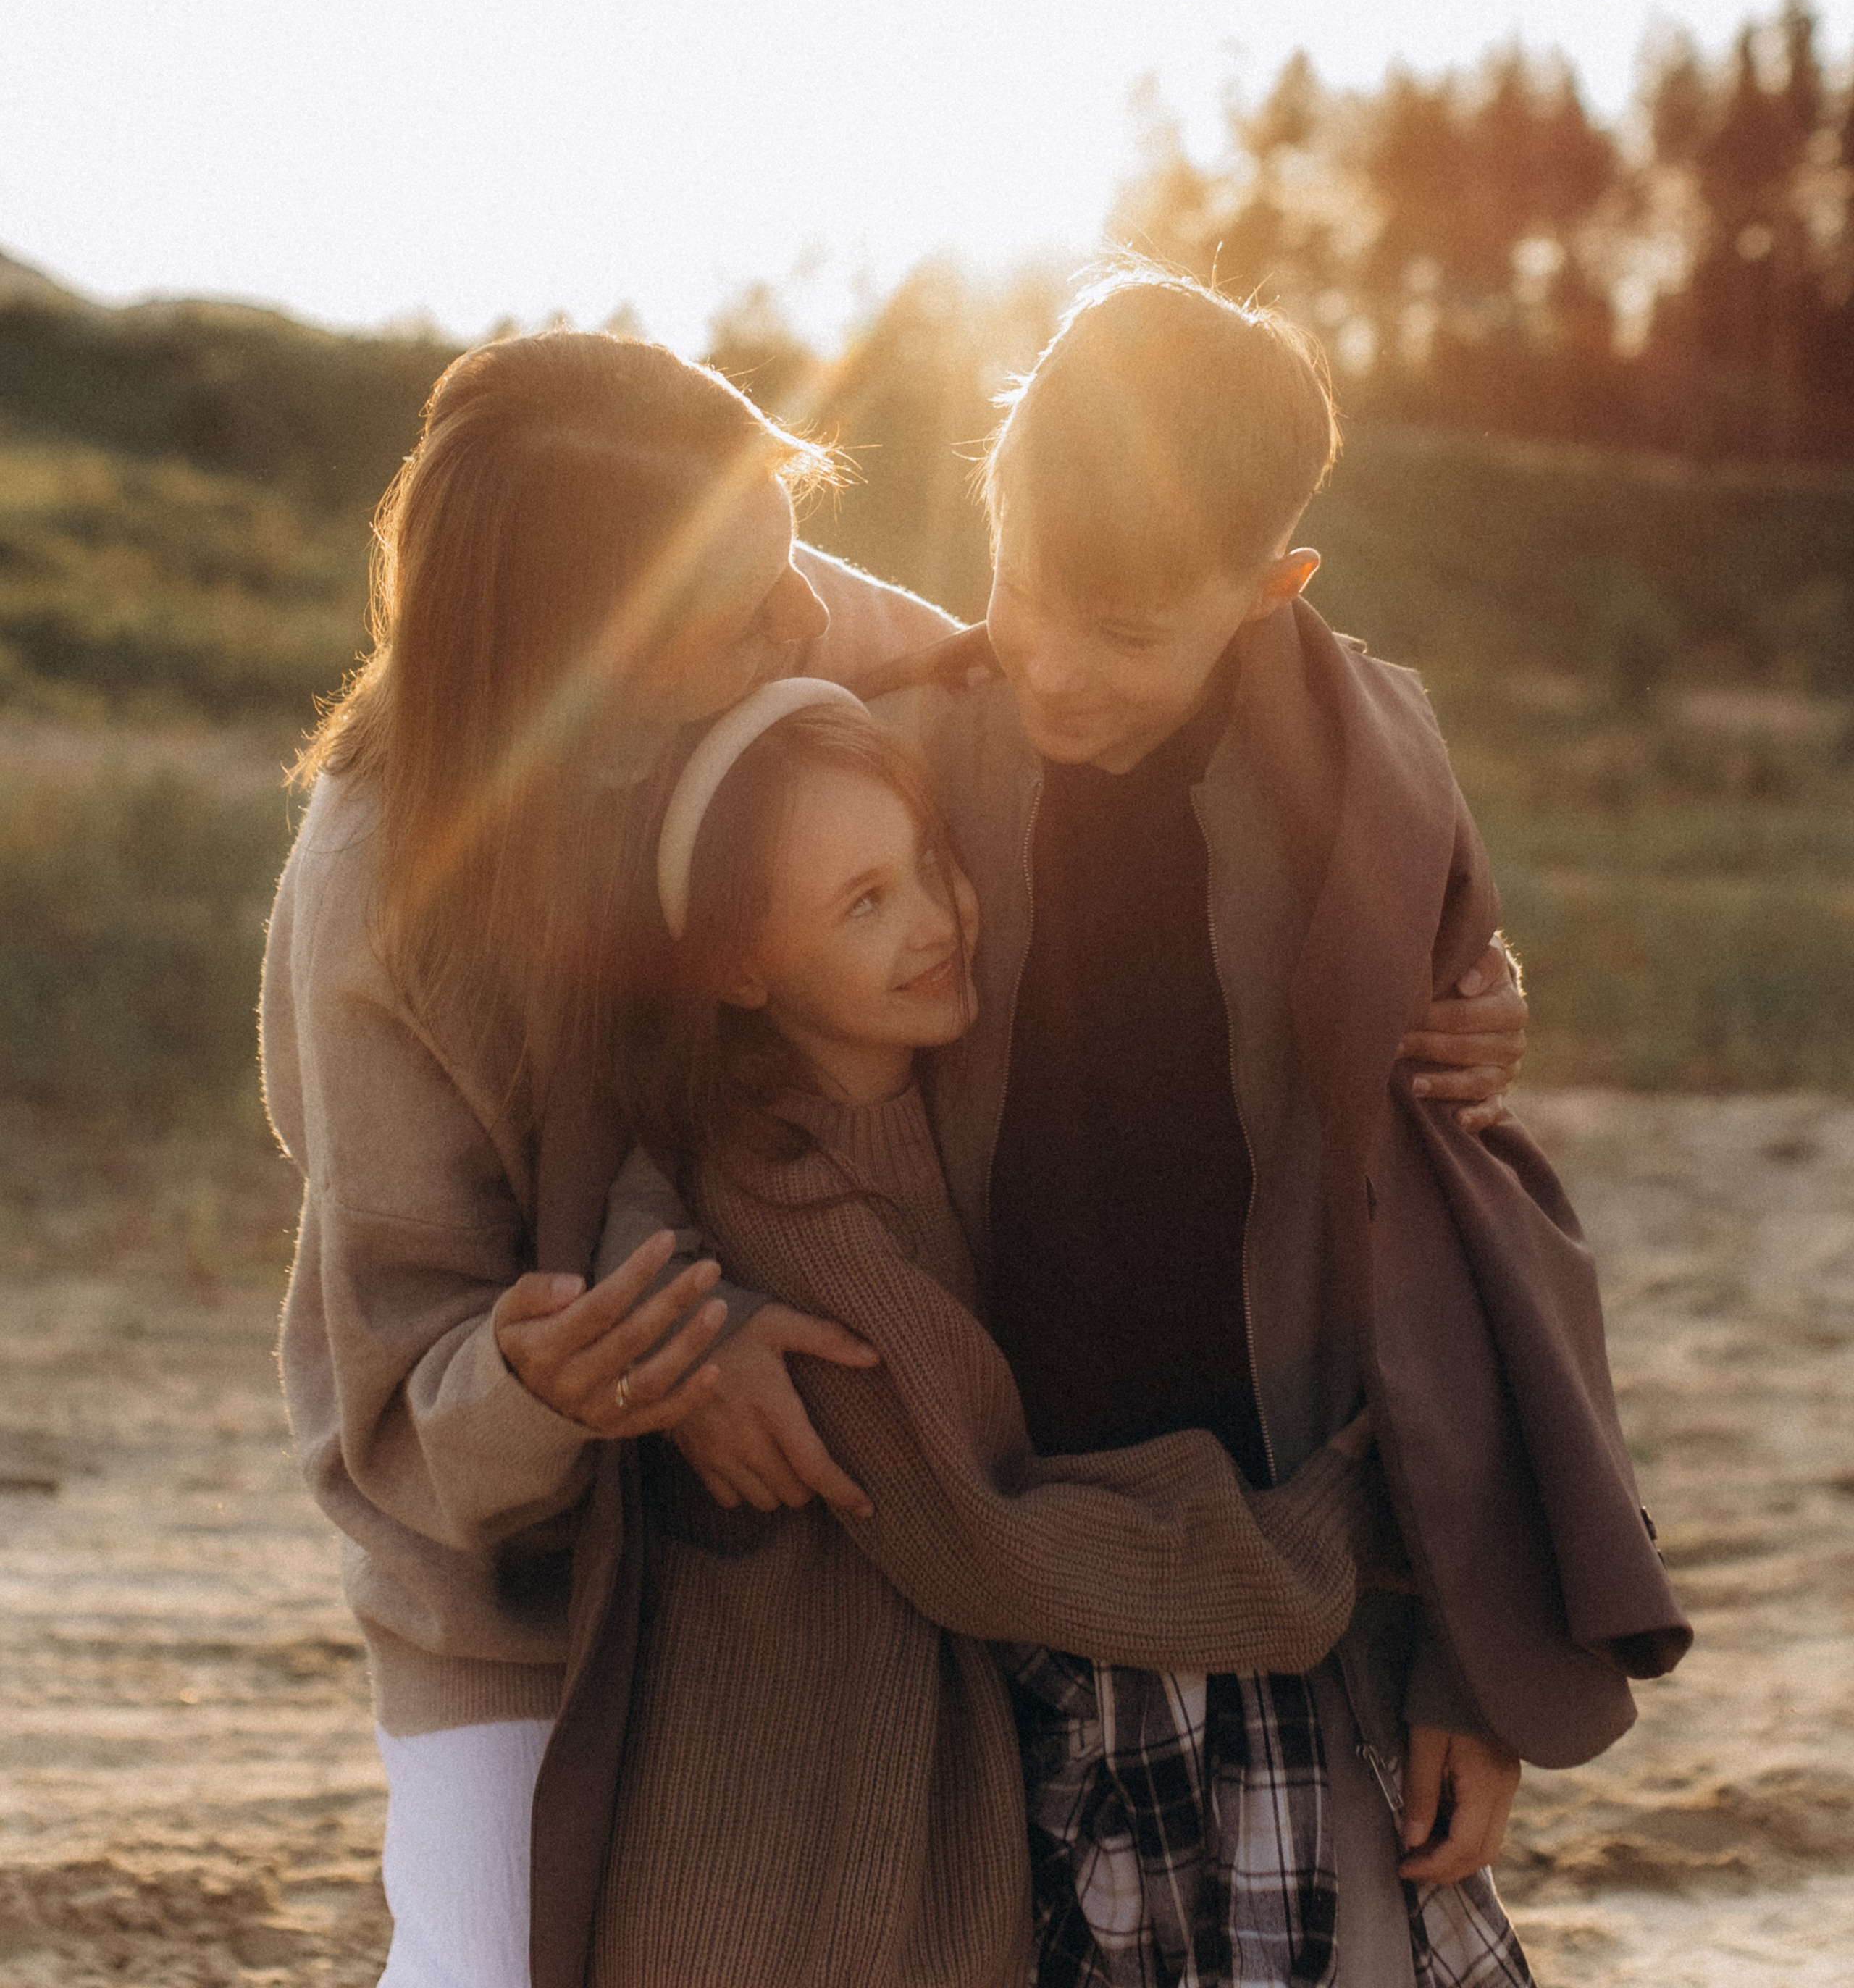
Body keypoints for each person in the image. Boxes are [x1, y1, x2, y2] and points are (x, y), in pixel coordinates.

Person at [259, 321, 1524, 1988]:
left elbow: (1095, 679)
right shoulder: (377, 888)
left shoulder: (785, 617)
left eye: (794, 558)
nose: (814, 617)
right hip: (525, 1598)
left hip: (809, 1552)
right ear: (596, 648)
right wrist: (637, 1356)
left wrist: (1444, 958)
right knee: (491, 1954)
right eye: (746, 610)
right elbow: (396, 1371)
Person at [838, 271, 1690, 1984]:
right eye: (1021, 593)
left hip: (1290, 1571)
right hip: (980, 1571)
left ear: (1269, 587)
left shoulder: (1366, 786)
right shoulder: (908, 745)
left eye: (1128, 631)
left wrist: (1460, 1663)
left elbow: (1454, 1250)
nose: (1053, 668)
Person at [569, 684, 1400, 1986]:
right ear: (740, 969)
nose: (934, 920)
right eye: (862, 904)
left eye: (931, 864)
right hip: (793, 1869)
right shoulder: (780, 1203)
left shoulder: (952, 1106)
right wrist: (1333, 1521)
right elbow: (989, 1536)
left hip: (902, 1808)